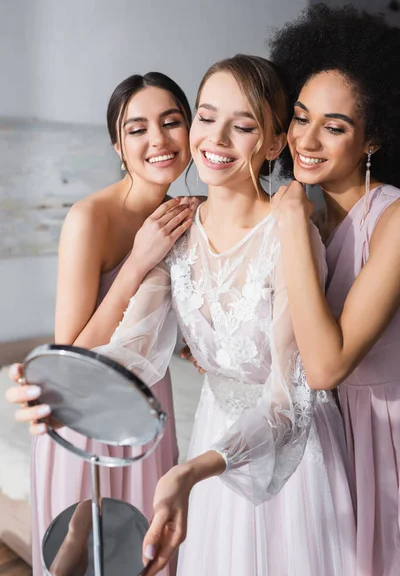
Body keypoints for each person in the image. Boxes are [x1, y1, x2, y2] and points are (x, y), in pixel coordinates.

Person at [91, 55, 355, 575]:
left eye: (244, 126)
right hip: (211, 436)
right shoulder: (177, 229)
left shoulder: (290, 232)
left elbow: (288, 403)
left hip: (292, 455)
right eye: (207, 117)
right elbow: (133, 351)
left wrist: (190, 472)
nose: (216, 138)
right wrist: (60, 385)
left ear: (275, 143)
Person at [6, 71, 197, 576]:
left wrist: (189, 346)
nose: (157, 139)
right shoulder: (90, 218)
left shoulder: (187, 214)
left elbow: (162, 320)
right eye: (137, 129)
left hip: (153, 408)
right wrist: (136, 262)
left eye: (171, 122)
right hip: (86, 410)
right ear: (118, 144)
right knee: (81, 557)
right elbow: (70, 357)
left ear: (190, 131)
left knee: (149, 556)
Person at [268, 4, 400, 576]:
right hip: (326, 435)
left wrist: (292, 214)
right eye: (300, 118)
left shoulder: (393, 220)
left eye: (335, 125)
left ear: (371, 140)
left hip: (386, 434)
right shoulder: (312, 220)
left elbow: (326, 366)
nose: (307, 139)